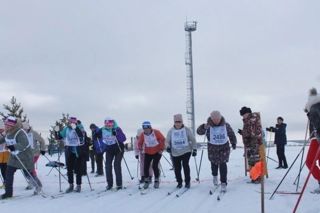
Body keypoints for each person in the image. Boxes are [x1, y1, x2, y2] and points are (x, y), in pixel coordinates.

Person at [0, 116, 42, 199]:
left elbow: (24, 144)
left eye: (8, 126)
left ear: (13, 126)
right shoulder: (8, 133)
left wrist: (13, 146)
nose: (6, 127)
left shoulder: (20, 132)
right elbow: (3, 140)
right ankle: (8, 193)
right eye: (6, 125)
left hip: (25, 157)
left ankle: (38, 185)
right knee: (8, 173)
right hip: (14, 157)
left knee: (28, 173)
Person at [197, 111, 236, 192]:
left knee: (223, 165)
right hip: (212, 149)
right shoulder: (208, 126)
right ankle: (215, 177)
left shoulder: (226, 125)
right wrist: (204, 127)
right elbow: (199, 132)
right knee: (214, 165)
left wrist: (233, 142)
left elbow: (231, 134)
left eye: (217, 119)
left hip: (224, 148)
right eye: (214, 119)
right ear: (211, 119)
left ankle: (223, 183)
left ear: (220, 118)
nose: (216, 121)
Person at [54, 116, 86, 193]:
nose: (72, 123)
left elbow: (82, 136)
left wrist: (76, 128)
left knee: (78, 169)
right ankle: (71, 185)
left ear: (76, 122)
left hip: (78, 150)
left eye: (73, 121)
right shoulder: (66, 129)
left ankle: (78, 185)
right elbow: (59, 137)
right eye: (70, 121)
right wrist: (56, 131)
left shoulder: (80, 127)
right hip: (69, 150)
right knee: (69, 169)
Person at [166, 114, 197, 189]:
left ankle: (187, 182)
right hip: (175, 152)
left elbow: (192, 139)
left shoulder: (186, 129)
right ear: (174, 122)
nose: (178, 123)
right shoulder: (171, 131)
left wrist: (194, 149)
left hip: (186, 150)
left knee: (185, 165)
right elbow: (167, 141)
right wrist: (168, 147)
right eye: (176, 122)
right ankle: (179, 182)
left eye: (179, 122)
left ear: (182, 122)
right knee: (177, 168)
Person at [95, 118, 126, 190]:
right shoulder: (102, 129)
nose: (109, 125)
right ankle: (109, 184)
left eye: (110, 123)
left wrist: (117, 134)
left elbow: (123, 138)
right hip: (109, 149)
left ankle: (119, 184)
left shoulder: (117, 129)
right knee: (108, 166)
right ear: (105, 123)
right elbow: (96, 136)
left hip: (119, 149)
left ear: (113, 123)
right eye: (107, 124)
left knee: (116, 165)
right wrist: (95, 135)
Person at [239, 106, 266, 183]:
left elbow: (253, 133)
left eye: (243, 114)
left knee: (255, 161)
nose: (243, 116)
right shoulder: (249, 120)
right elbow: (249, 131)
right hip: (250, 144)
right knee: (252, 162)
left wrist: (245, 134)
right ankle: (255, 178)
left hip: (254, 144)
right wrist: (243, 133)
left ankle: (258, 178)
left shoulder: (251, 120)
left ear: (247, 113)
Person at [138, 121, 165, 189]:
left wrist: (161, 149)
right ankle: (146, 181)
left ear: (150, 127)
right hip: (148, 152)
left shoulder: (156, 132)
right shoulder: (142, 134)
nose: (146, 129)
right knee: (146, 167)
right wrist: (140, 148)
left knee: (154, 165)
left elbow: (162, 139)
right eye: (144, 128)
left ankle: (156, 180)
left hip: (157, 152)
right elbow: (140, 142)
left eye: (147, 127)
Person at [22, 121, 46, 189]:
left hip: (34, 153)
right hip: (26, 154)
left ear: (28, 128)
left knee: (30, 168)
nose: (24, 130)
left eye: (25, 129)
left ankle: (38, 184)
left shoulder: (33, 133)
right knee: (25, 169)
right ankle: (31, 182)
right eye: (23, 129)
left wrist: (43, 149)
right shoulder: (22, 134)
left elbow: (42, 140)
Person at [304, 88, 320, 193]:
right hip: (316, 137)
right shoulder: (315, 107)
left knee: (310, 161)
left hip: (317, 138)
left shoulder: (314, 107)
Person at [0, 120, 9, 188]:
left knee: (4, 168)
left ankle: (6, 182)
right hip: (0, 153)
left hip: (6, 152)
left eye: (1, 128)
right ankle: (5, 182)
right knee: (2, 169)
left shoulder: (6, 134)